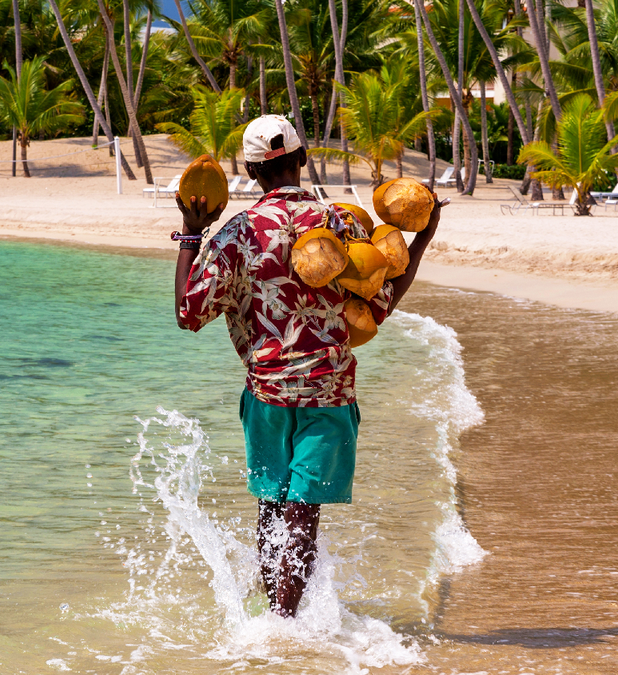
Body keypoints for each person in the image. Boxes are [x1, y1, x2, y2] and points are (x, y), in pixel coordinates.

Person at [172, 115, 442, 617]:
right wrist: (421, 241)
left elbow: (189, 314)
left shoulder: (235, 235)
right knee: (301, 515)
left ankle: (273, 623)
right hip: (329, 393)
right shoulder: (339, 223)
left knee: (273, 507)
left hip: (265, 393)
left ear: (252, 171)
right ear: (301, 158)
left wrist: (191, 235)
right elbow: (378, 304)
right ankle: (285, 628)